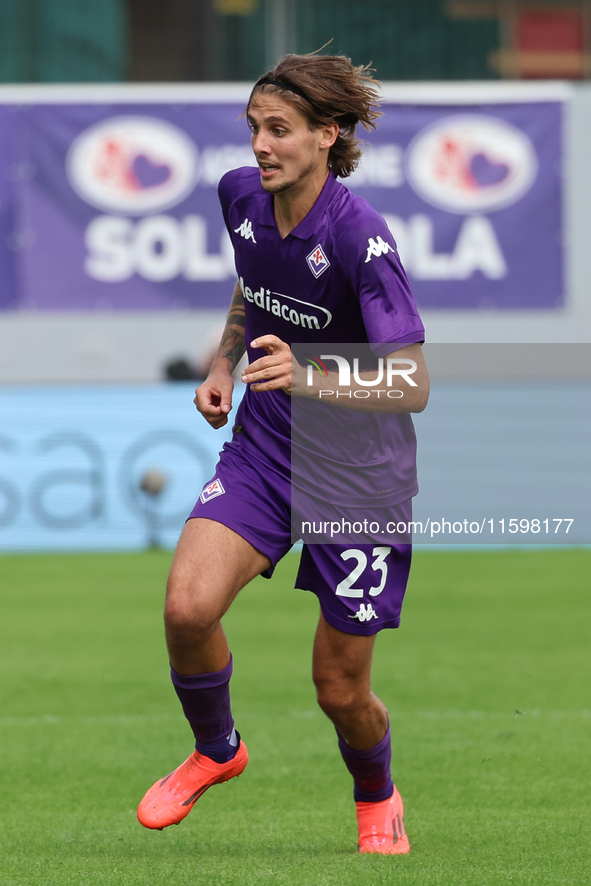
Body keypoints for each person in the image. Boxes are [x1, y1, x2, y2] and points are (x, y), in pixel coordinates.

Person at [137, 51, 429, 855]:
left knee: (339, 689)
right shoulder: (240, 194)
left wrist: (308, 371)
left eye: (279, 131)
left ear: (326, 136)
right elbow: (253, 281)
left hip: (359, 481)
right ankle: (217, 750)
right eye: (254, 129)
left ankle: (376, 796)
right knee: (186, 610)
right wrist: (225, 362)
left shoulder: (361, 237)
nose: (260, 146)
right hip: (265, 452)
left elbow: (410, 381)